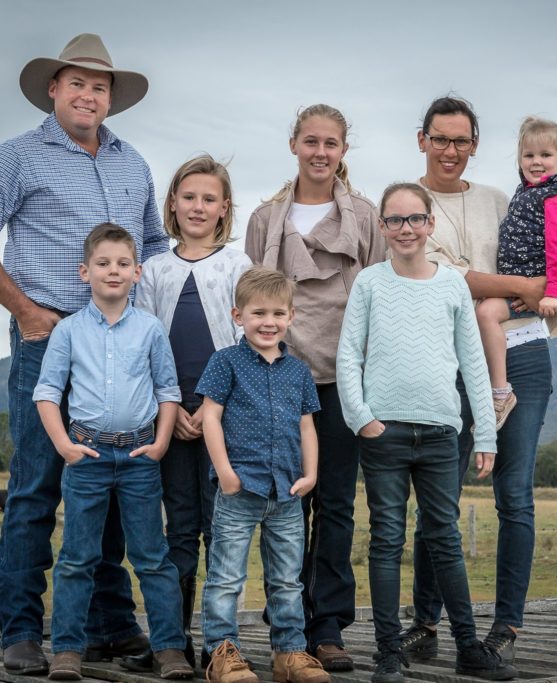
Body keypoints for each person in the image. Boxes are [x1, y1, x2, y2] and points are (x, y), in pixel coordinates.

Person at [0, 34, 166, 675]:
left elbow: (150, 242)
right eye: (77, 83)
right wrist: (23, 309)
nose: (88, 95)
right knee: (37, 483)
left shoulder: (133, 164)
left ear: (111, 98)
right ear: (53, 89)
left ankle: (108, 626)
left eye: (100, 87)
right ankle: (20, 630)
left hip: (120, 344)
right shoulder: (16, 157)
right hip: (49, 336)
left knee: (115, 478)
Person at [336, 184, 517, 683]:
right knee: (387, 539)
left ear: (430, 224)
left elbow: (472, 362)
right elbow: (349, 355)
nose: (406, 229)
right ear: (383, 227)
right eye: (394, 220)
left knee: (444, 538)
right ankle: (389, 651)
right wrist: (361, 417)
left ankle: (467, 646)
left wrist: (486, 434)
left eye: (415, 219)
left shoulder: (452, 286)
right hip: (384, 433)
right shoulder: (370, 284)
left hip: (440, 432)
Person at [403, 96, 550, 665]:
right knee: (438, 496)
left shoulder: (503, 200)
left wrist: (510, 288)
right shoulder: (409, 206)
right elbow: (442, 280)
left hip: (524, 356)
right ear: (422, 139)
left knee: (514, 495)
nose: (450, 150)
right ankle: (424, 622)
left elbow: (552, 273)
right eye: (440, 139)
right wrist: (516, 288)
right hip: (446, 364)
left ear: (476, 145)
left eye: (461, 141)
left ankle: (506, 626)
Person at [245, 104, 385, 670]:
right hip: (279, 375)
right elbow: (253, 297)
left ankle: (327, 626)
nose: (320, 152)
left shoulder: (367, 218)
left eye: (331, 143)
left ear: (344, 150)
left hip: (343, 377)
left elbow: (377, 295)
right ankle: (288, 625)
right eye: (310, 141)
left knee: (334, 502)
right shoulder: (264, 218)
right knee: (282, 500)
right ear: (293, 145)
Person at [33, 224, 190, 681]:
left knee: (152, 558)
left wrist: (160, 443)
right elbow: (47, 391)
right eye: (103, 264)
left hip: (139, 458)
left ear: (137, 272)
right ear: (85, 272)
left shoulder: (150, 329)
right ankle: (67, 650)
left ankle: (169, 650)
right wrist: (65, 445)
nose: (113, 271)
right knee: (77, 558)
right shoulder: (68, 331)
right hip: (89, 458)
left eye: (123, 263)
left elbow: (167, 388)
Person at [127, 155, 252, 672]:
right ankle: (171, 640)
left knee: (221, 530)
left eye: (209, 198)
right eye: (189, 197)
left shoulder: (238, 265)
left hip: (224, 419)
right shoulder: (154, 269)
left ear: (224, 208)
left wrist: (212, 408)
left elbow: (248, 340)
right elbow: (147, 344)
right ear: (172, 204)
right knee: (176, 530)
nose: (198, 207)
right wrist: (171, 404)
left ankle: (219, 644)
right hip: (171, 419)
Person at [196, 267, 330, 683]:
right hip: (240, 489)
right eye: (258, 313)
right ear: (238, 316)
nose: (267, 322)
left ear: (291, 317)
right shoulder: (226, 363)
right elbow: (211, 419)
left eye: (277, 313)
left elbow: (307, 426)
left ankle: (289, 653)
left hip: (288, 492)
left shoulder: (299, 371)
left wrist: (311, 474)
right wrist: (225, 472)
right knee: (226, 578)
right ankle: (221, 652)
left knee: (287, 579)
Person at [474, 117, 557, 429]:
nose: (536, 162)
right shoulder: (531, 192)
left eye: (545, 155)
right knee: (484, 312)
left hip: (538, 286)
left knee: (487, 314)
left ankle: (501, 393)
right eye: (529, 155)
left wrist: (553, 293)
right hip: (520, 282)